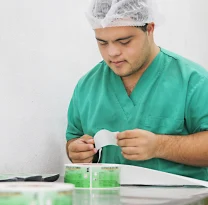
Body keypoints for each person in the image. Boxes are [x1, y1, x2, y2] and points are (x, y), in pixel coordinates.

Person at [65, 0, 208, 181]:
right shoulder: (87, 86)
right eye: (102, 43)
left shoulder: (192, 81)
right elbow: (73, 140)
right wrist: (78, 152)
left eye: (124, 41)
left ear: (149, 29)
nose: (112, 52)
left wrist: (159, 146)